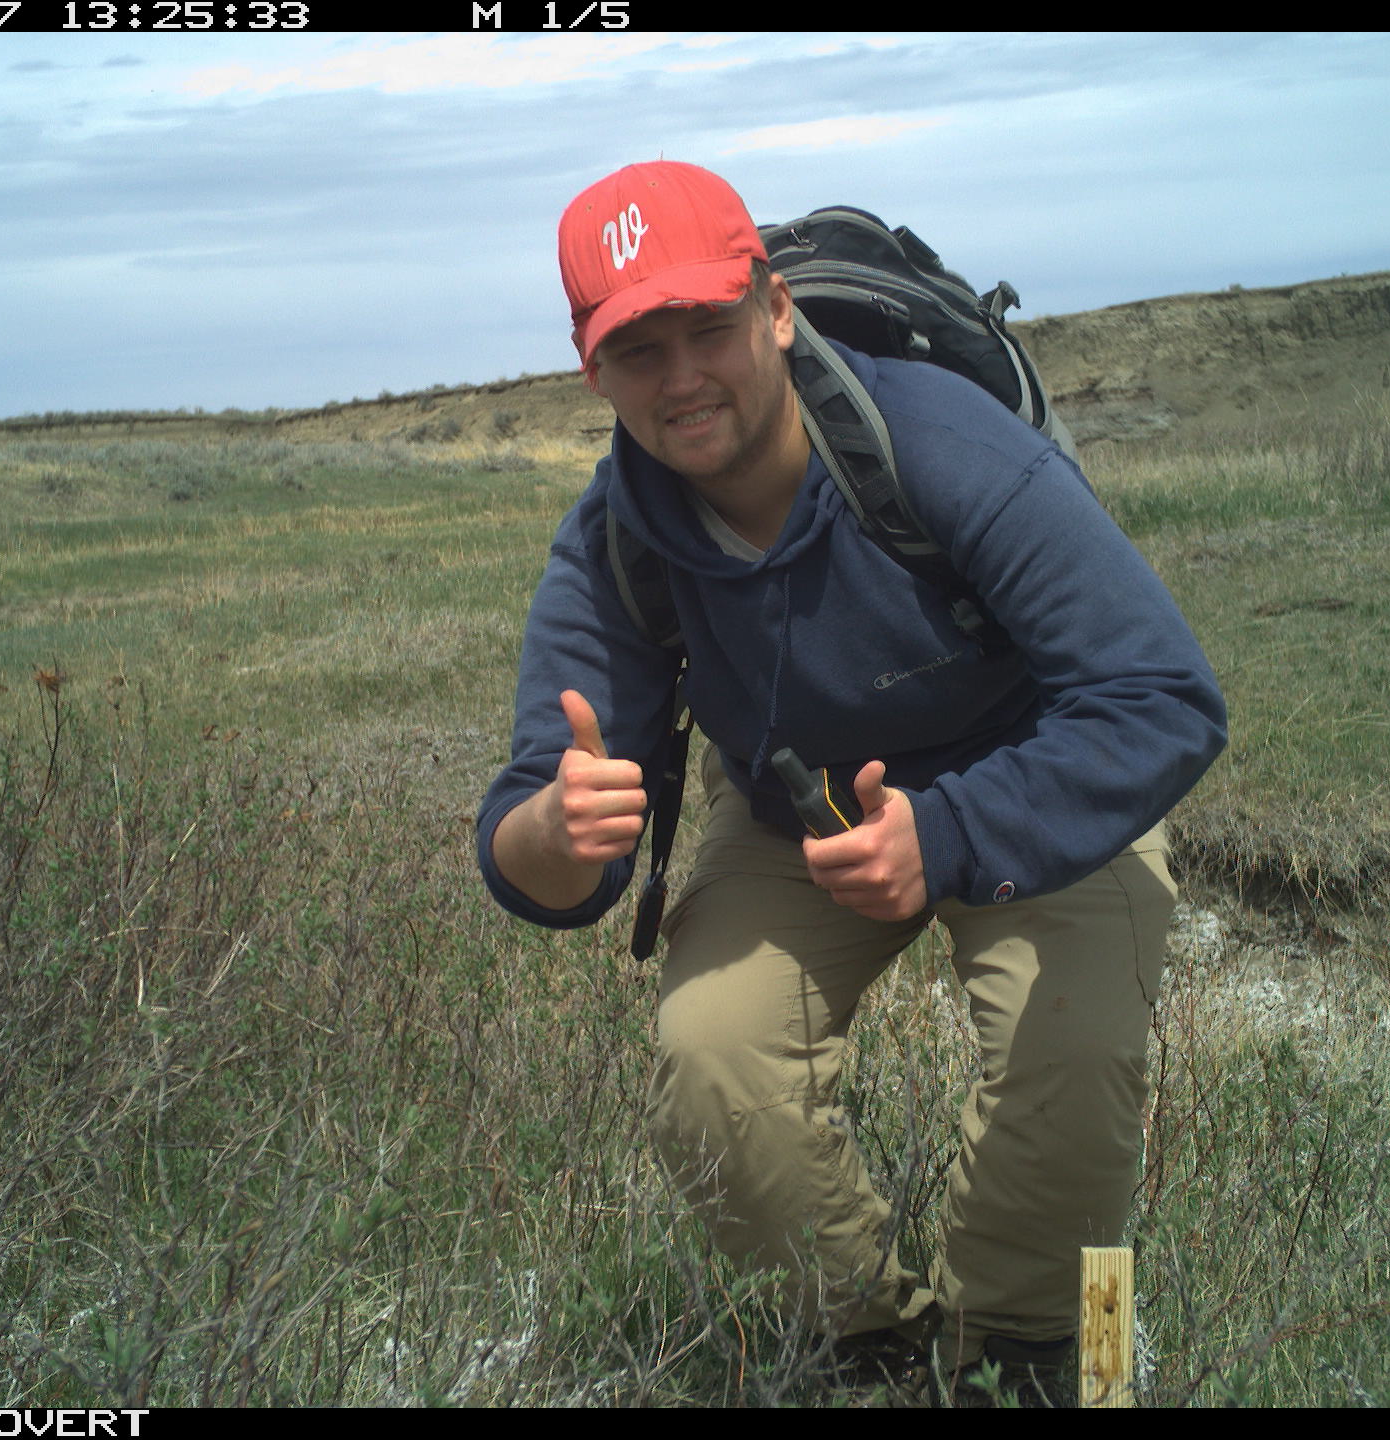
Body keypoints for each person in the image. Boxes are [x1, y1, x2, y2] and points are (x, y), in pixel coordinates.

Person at [475, 160, 1227, 1404]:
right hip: (797, 812)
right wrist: (556, 835)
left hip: (1039, 766)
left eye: (707, 328)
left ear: (772, 308)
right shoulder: (617, 535)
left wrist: (945, 833)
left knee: (1080, 1065)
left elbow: (1163, 695)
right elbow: (527, 832)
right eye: (635, 350)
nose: (679, 380)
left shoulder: (935, 438)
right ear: (587, 368)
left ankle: (1075, 1360)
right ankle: (862, 1350)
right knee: (710, 1060)